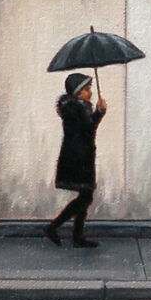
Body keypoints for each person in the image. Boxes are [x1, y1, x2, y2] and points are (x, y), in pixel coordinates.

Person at [46, 72, 105, 248]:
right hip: (79, 157)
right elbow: (88, 129)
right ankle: (54, 227)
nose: (91, 93)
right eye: (87, 89)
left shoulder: (75, 107)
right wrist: (100, 113)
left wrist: (97, 113)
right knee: (85, 196)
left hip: (79, 155)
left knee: (85, 195)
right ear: (78, 92)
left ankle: (77, 236)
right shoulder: (79, 107)